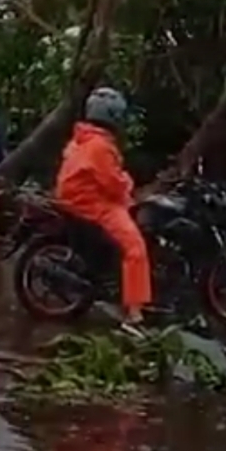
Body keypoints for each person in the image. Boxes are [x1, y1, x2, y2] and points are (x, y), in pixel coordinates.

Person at [54, 87, 152, 326]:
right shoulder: (99, 146)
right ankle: (134, 310)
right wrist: (128, 182)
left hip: (77, 200)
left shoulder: (82, 138)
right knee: (135, 248)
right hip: (92, 203)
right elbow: (113, 185)